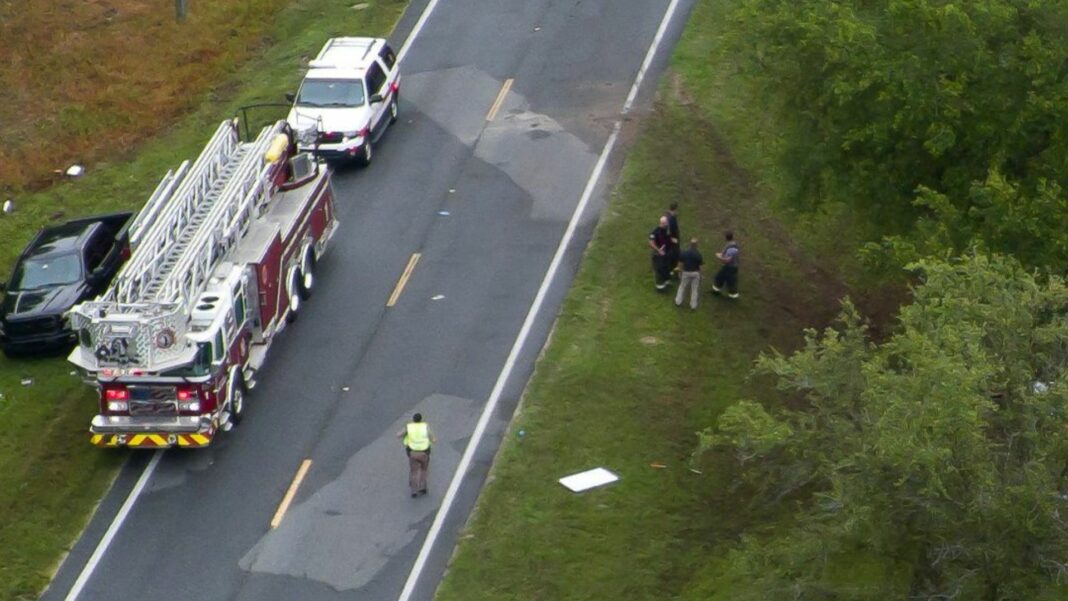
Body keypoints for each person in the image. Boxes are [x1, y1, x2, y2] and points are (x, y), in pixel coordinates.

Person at [396, 413, 436, 497]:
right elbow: (433, 439)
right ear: (421, 419)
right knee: (424, 469)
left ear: (413, 420)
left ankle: (414, 490)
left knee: (414, 471)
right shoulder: (425, 426)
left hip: (412, 452)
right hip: (424, 452)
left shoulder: (409, 427)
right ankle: (423, 486)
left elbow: (398, 435)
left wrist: (405, 436)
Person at [675, 238, 703, 310]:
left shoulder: (684, 253)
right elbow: (700, 267)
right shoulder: (698, 254)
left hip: (686, 272)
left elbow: (680, 263)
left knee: (682, 286)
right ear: (697, 245)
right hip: (695, 273)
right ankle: (693, 305)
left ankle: (678, 301)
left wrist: (679, 272)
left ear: (690, 244)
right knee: (694, 289)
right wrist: (701, 275)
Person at [712, 231, 740, 299]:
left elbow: (727, 260)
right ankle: (718, 289)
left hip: (730, 267)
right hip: (731, 266)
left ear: (726, 238)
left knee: (729, 280)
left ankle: (732, 294)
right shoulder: (734, 245)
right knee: (721, 277)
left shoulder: (731, 248)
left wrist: (719, 257)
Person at [648, 216, 672, 291]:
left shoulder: (666, 229)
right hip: (658, 255)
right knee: (659, 269)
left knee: (666, 267)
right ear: (663, 223)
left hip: (666, 253)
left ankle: (666, 283)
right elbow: (651, 243)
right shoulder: (655, 231)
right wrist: (658, 250)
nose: (667, 223)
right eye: (666, 223)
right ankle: (660, 287)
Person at [664, 203, 681, 276]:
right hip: (673, 242)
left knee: (674, 256)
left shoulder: (670, 216)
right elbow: (667, 232)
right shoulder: (670, 219)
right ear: (675, 210)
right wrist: (672, 239)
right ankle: (672, 272)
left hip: (673, 240)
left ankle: (672, 270)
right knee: (674, 256)